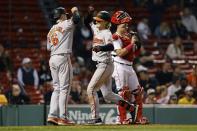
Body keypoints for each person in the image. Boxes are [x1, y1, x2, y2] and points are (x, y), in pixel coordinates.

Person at [84, 8, 138, 124]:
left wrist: (100, 48)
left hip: (105, 64)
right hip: (102, 65)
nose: (96, 22)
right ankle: (131, 108)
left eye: (99, 21)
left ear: (106, 22)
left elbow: (111, 46)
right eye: (96, 20)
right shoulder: (96, 28)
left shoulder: (107, 33)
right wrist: (89, 13)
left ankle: (95, 118)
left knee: (91, 89)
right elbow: (86, 22)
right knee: (108, 95)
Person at [111, 11, 148, 124]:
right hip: (119, 65)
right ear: (117, 26)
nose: (126, 27)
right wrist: (132, 43)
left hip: (129, 66)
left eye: (127, 25)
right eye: (123, 25)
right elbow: (120, 53)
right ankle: (121, 118)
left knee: (137, 92)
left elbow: (135, 53)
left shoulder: (128, 36)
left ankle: (138, 117)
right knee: (123, 93)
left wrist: (137, 43)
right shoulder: (115, 37)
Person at [46, 6, 80, 125]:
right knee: (64, 89)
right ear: (61, 15)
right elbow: (76, 19)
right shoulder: (65, 23)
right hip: (62, 57)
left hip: (52, 58)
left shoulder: (51, 30)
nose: (66, 15)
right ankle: (63, 117)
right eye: (64, 14)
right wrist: (75, 11)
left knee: (57, 88)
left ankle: (52, 115)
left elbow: (48, 47)